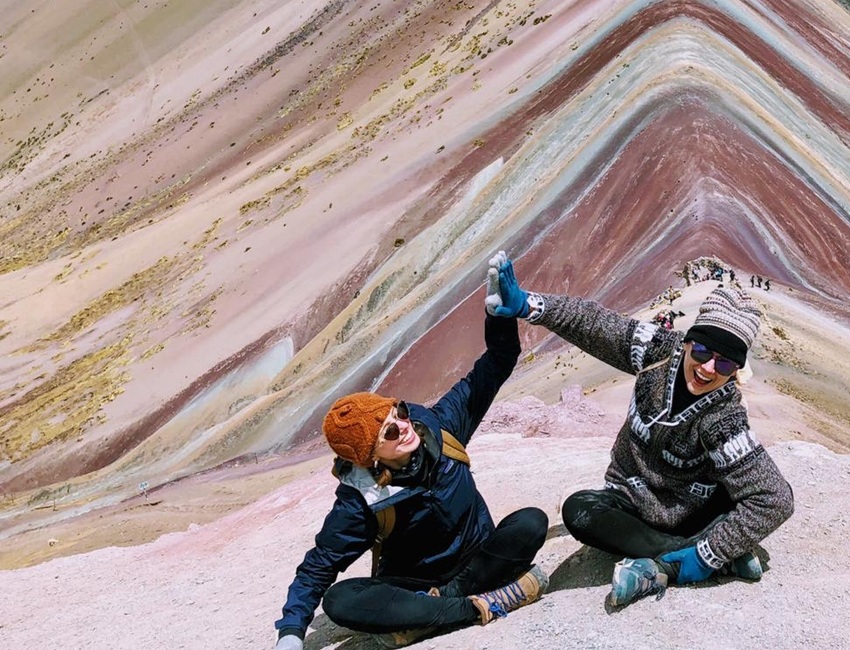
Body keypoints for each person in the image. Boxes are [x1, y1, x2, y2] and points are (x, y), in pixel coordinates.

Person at [484, 252, 794, 609]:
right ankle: (705, 554)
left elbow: (775, 498)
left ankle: (675, 564)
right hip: (630, 498)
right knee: (579, 510)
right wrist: (528, 305)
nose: (708, 369)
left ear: (736, 368)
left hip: (691, 510)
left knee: (739, 494)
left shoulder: (723, 418)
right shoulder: (658, 353)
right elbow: (594, 324)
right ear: (689, 341)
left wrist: (700, 561)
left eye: (724, 362)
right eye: (704, 350)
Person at [272, 311, 548, 650]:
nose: (403, 425)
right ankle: (476, 606)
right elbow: (318, 566)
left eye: (398, 412)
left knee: (531, 523)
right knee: (339, 601)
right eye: (389, 430)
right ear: (369, 457)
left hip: (477, 561)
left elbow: (497, 361)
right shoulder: (361, 499)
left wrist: (498, 315)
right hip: (413, 582)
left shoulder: (439, 426)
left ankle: (429, 615)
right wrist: (290, 633)